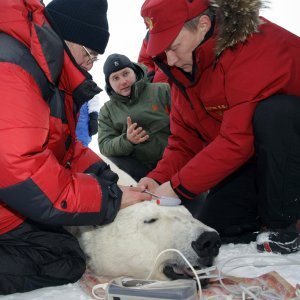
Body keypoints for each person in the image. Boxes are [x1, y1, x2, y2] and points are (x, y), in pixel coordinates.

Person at [0, 0, 150, 295]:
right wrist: (110, 200)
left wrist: (108, 178)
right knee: (64, 259)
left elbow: (67, 149)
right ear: (66, 35)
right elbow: (19, 168)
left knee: (62, 246)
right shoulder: (13, 68)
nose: (89, 64)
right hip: (11, 200)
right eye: (89, 53)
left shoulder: (45, 76)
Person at [139, 0, 300, 254]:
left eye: (173, 46)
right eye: (162, 50)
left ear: (202, 25)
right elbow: (184, 141)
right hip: (258, 159)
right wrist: (157, 178)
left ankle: (283, 225)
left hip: (289, 152)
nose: (168, 60)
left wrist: (176, 186)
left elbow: (237, 141)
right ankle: (262, 214)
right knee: (215, 225)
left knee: (275, 114)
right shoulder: (185, 69)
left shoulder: (253, 47)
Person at [98, 53, 171, 181]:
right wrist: (128, 140)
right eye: (115, 78)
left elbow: (186, 122)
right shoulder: (107, 111)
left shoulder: (163, 91)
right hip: (138, 169)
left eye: (126, 73)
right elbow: (105, 145)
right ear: (109, 84)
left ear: (135, 72)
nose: (123, 81)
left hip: (172, 162)